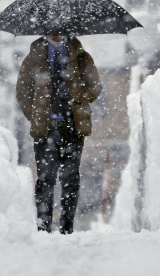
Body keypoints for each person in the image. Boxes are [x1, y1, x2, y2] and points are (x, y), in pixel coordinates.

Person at [16, 34, 102, 234]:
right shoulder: (34, 58)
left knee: (71, 178)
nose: (56, 33)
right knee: (45, 179)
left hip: (72, 126)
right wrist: (36, 114)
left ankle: (66, 227)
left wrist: (78, 95)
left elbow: (95, 87)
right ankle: (43, 227)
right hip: (45, 129)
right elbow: (23, 91)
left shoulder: (82, 57)